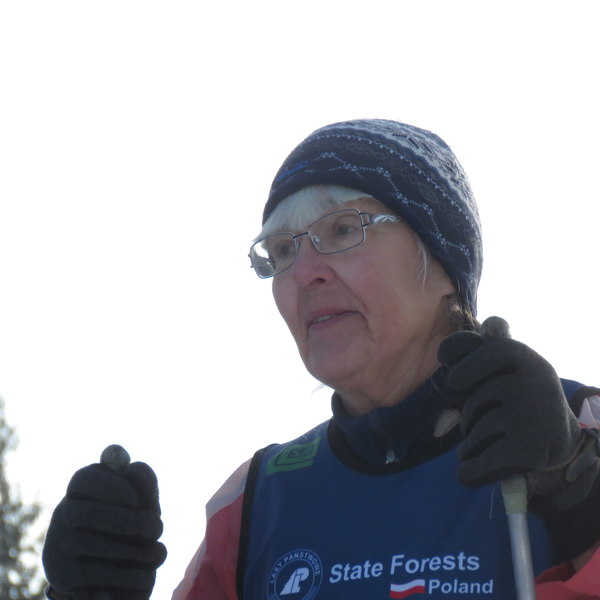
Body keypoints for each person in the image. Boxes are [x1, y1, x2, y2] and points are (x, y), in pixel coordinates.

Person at [42, 119, 600, 600]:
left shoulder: (573, 430)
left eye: (343, 229)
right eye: (283, 250)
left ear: (443, 261)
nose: (305, 272)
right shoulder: (259, 500)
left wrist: (581, 498)